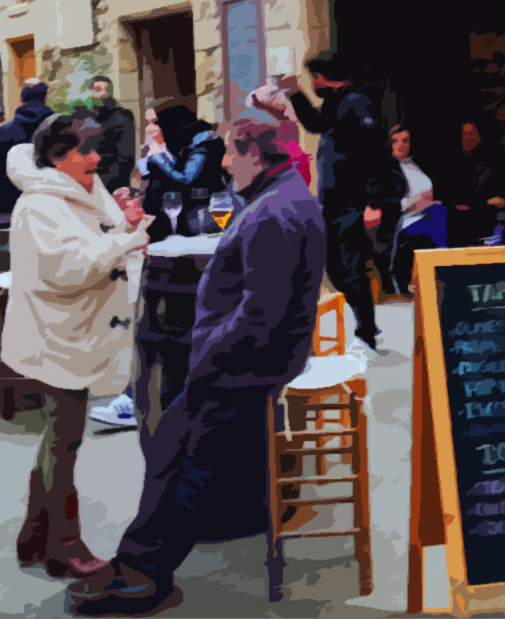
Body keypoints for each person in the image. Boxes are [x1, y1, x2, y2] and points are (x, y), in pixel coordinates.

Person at [66, 116, 327, 616]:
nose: (225, 163)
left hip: (244, 365)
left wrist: (208, 354)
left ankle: (146, 577)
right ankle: (139, 565)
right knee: (175, 453)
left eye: (231, 153)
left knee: (181, 461)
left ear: (254, 154)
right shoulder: (285, 194)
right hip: (251, 360)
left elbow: (260, 312)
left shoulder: (274, 211)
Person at [3, 113, 152, 578]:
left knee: (60, 436)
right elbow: (68, 267)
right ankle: (64, 544)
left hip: (79, 331)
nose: (96, 158)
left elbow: (99, 236)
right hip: (56, 335)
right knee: (63, 439)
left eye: (96, 148)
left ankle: (35, 536)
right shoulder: (38, 204)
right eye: (85, 151)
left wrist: (123, 223)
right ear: (56, 157)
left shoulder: (84, 188)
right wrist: (127, 239)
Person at [283, 51, 405, 354]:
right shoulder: (340, 101)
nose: (313, 83)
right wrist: (293, 94)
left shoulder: (357, 103)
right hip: (338, 200)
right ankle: (367, 325)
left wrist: (374, 202)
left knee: (348, 267)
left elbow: (373, 154)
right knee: (339, 267)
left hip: (355, 201)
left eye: (315, 77)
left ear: (327, 76)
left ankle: (366, 331)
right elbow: (316, 124)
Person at [140, 100, 226, 242]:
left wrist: (159, 158)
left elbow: (187, 178)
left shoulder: (203, 141)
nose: (151, 128)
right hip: (181, 215)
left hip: (202, 213)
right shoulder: (177, 141)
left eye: (155, 122)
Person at [387, 126, 446, 297]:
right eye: (395, 141)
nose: (400, 145)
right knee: (438, 217)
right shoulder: (387, 171)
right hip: (404, 223)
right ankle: (442, 266)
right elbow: (391, 205)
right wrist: (417, 202)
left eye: (405, 141)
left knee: (441, 211)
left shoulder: (412, 165)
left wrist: (429, 201)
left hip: (426, 217)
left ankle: (442, 267)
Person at [446, 120, 505, 248]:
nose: (466, 138)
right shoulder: (454, 164)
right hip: (467, 218)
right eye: (463, 135)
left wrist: (501, 200)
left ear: (480, 136)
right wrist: (485, 202)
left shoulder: (495, 160)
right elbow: (455, 197)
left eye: (471, 134)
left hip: (492, 218)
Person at [0, 78, 54, 214]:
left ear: (21, 99)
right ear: (46, 97)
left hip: (15, 201)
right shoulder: (58, 126)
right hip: (52, 197)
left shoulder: (6, 130)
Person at [87, 75, 137, 192]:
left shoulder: (122, 117)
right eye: (98, 90)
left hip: (112, 183)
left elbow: (126, 156)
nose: (103, 94)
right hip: (91, 181)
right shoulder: (88, 117)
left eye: (106, 90)